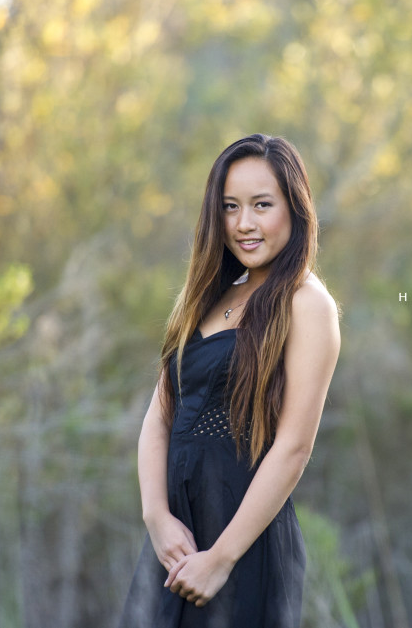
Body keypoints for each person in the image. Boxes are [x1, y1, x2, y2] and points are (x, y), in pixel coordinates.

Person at [117, 133, 341, 628]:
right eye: (230, 207)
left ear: (295, 209)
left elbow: (294, 448)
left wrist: (220, 558)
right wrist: (156, 517)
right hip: (176, 542)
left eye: (262, 205)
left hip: (242, 547)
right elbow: (160, 416)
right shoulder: (207, 295)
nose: (244, 224)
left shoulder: (307, 304)